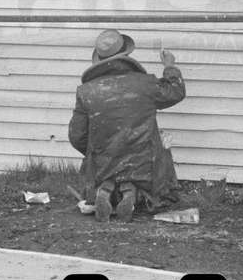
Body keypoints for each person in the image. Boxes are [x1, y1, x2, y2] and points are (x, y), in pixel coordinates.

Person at [68, 29, 185, 222]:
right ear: (126, 54)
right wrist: (169, 65)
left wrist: (96, 153)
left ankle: (107, 190)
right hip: (144, 165)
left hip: (103, 166)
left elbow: (77, 136)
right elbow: (176, 91)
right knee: (161, 148)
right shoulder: (146, 84)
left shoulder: (86, 92)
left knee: (103, 171)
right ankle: (132, 192)